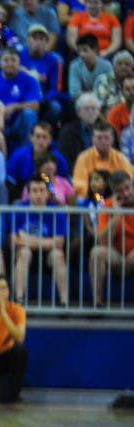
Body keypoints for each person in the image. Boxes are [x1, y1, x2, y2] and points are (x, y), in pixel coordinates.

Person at [10, 175, 69, 305]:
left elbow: (59, 242)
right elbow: (14, 240)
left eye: (42, 190)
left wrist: (28, 239)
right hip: (26, 252)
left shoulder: (57, 211)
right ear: (28, 193)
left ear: (48, 193)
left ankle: (64, 301)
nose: (38, 194)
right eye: (35, 191)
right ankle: (19, 300)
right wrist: (47, 242)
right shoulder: (18, 209)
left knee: (58, 254)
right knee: (25, 253)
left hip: (49, 254)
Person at [90, 170, 134, 306]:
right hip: (117, 257)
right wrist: (116, 216)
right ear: (114, 193)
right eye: (120, 191)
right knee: (97, 253)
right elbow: (102, 241)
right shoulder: (107, 206)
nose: (126, 194)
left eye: (127, 188)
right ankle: (97, 302)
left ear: (132, 185)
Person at [72, 120, 134, 199]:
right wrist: (100, 200)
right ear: (93, 139)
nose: (103, 141)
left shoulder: (120, 158)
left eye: (106, 137)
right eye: (99, 138)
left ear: (112, 139)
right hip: (93, 198)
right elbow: (80, 187)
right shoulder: (83, 158)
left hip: (118, 198)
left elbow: (130, 182)